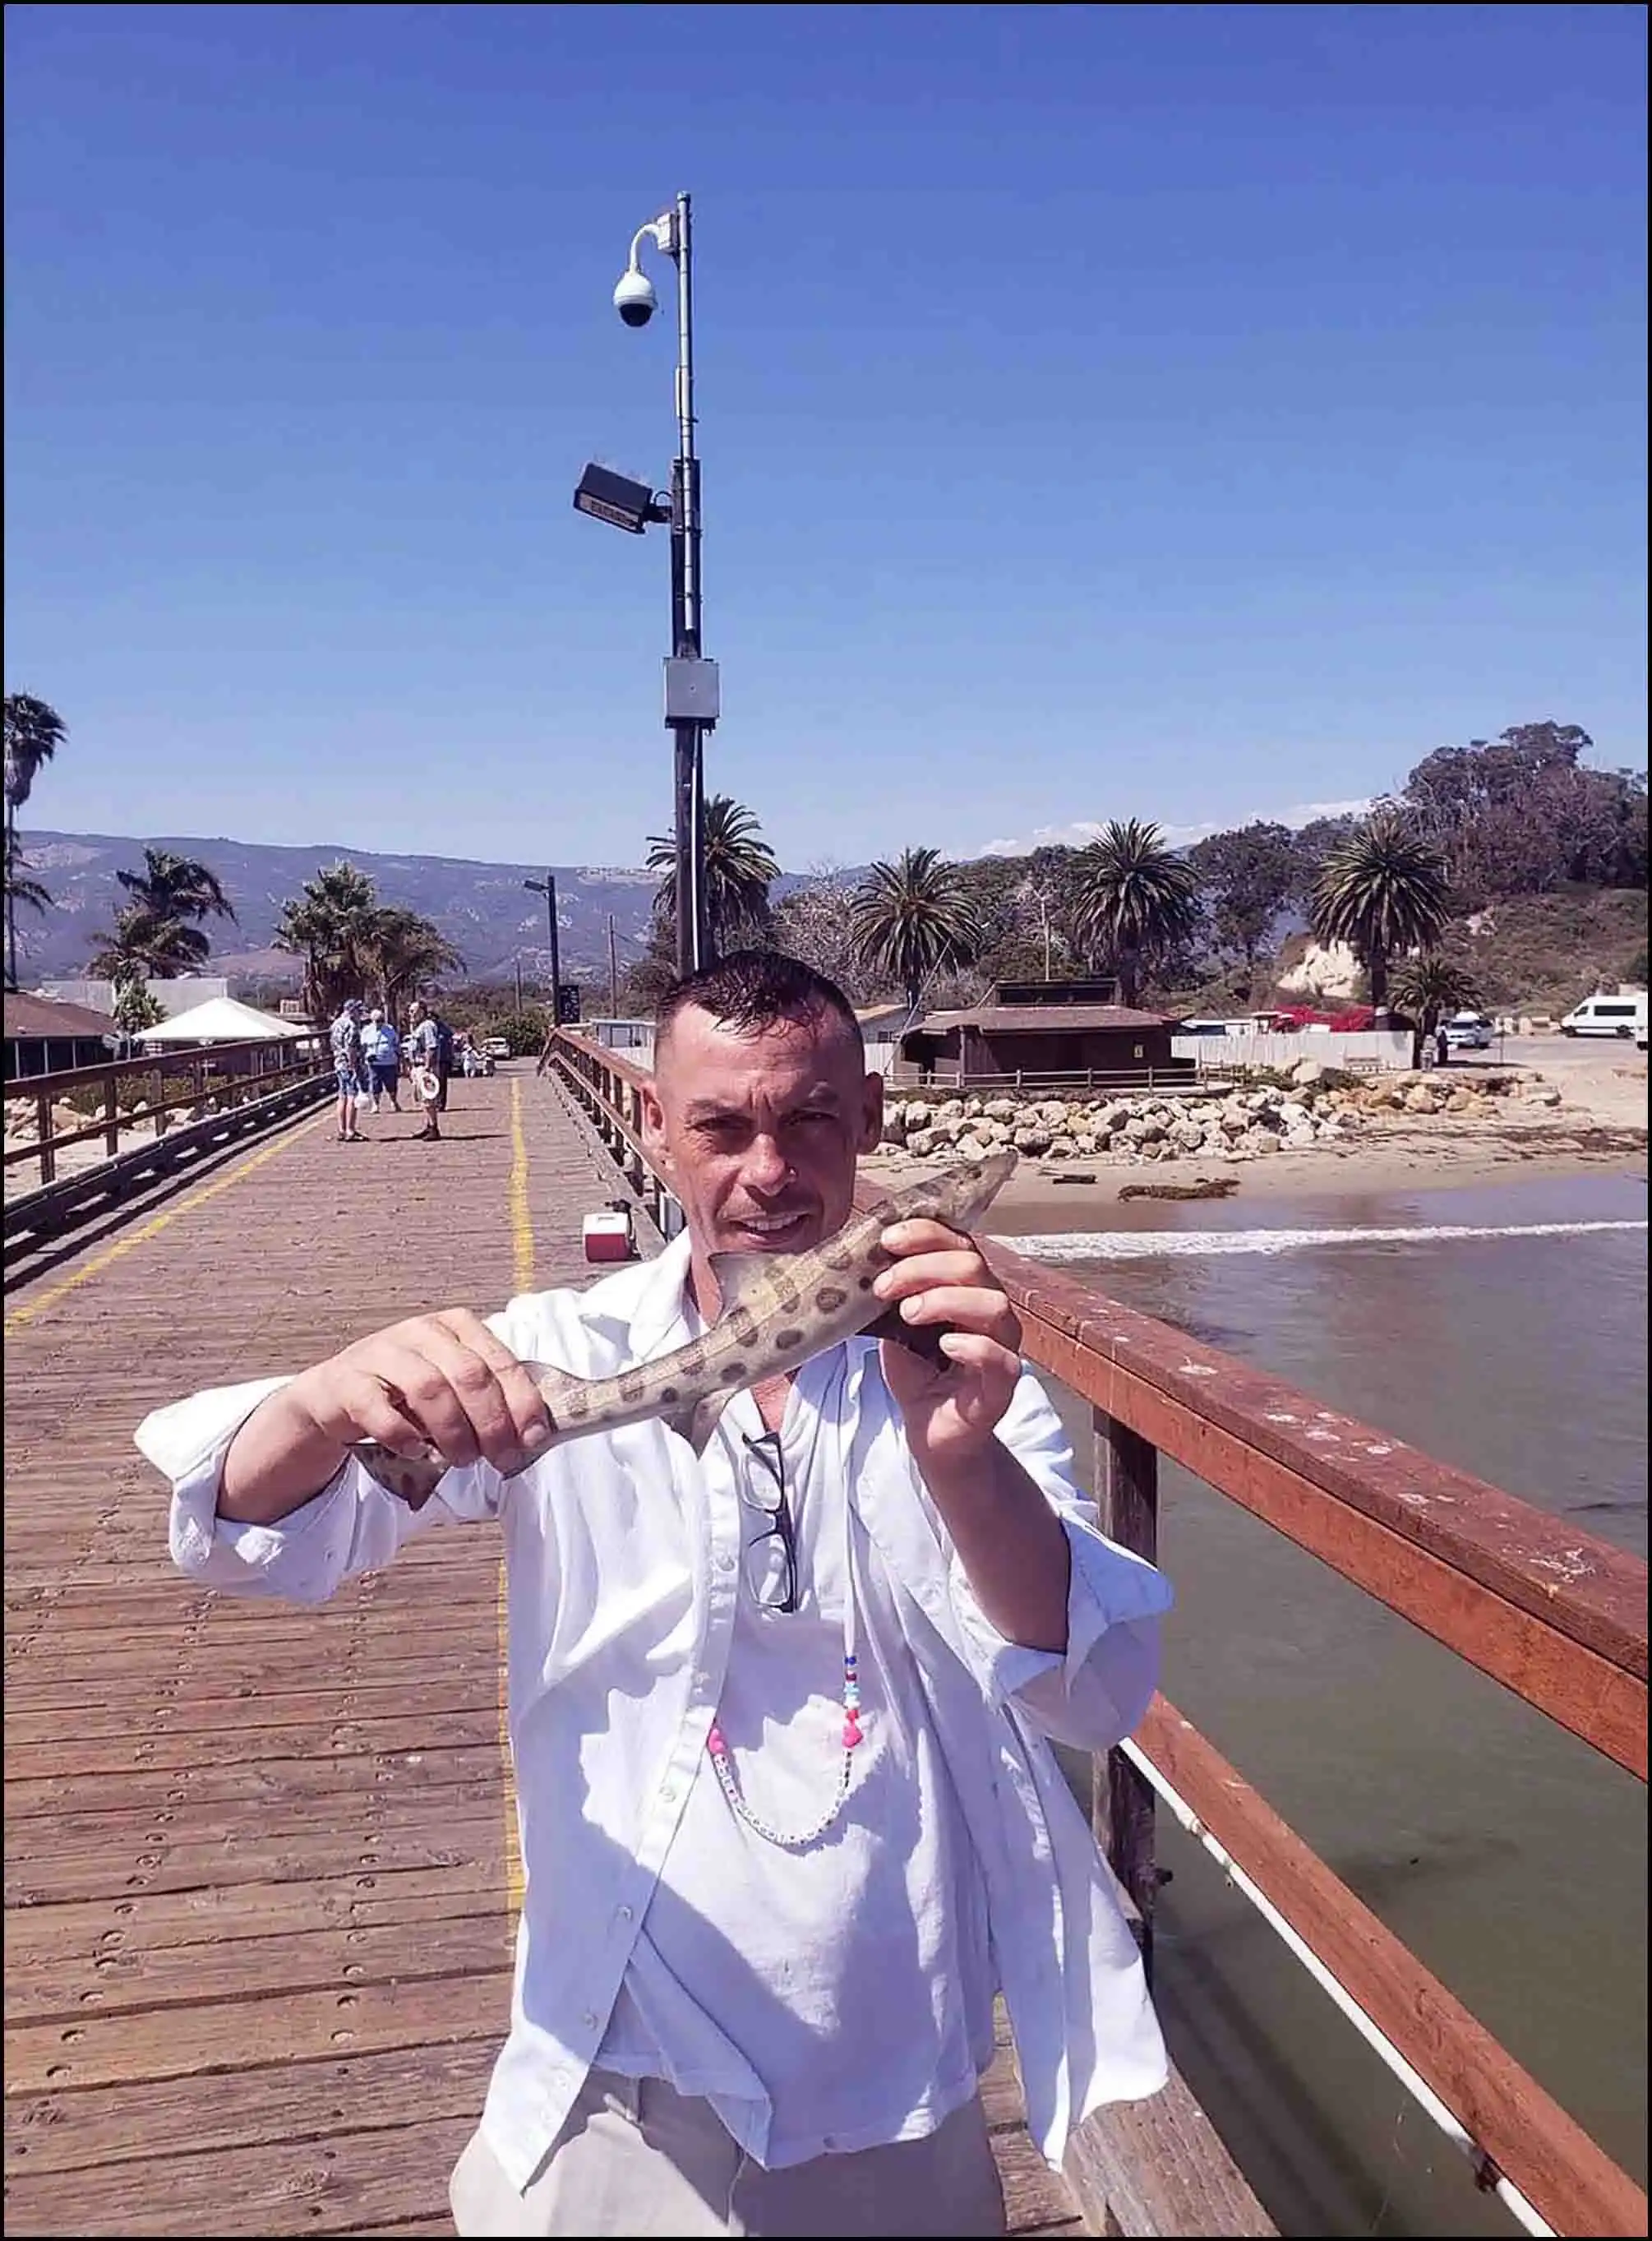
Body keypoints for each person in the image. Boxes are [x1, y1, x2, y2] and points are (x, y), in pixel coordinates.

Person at [136, 950, 1173, 2239]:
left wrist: (957, 1455)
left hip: (892, 2065)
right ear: (652, 1122)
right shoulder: (560, 1352)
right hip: (614, 2061)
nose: (767, 1171)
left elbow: (1092, 1691)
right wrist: (316, 1405)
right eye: (721, 1126)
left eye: (809, 1120)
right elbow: (254, 1532)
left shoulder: (962, 1375)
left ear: (868, 1118)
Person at [328, 998, 367, 1143]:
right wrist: (353, 1065)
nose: (360, 1014)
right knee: (352, 1095)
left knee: (342, 1096)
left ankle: (342, 1129)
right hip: (348, 1063)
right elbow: (351, 1047)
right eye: (358, 1011)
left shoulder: (336, 1024)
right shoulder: (352, 1025)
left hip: (338, 1061)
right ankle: (350, 1130)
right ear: (352, 1011)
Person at [406, 1000, 443, 1141]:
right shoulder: (417, 1027)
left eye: (413, 1011)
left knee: (429, 1099)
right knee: (423, 1099)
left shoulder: (427, 1026)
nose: (411, 1014)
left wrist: (428, 1067)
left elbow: (431, 1047)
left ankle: (434, 1128)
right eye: (410, 1011)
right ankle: (428, 1126)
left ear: (422, 1012)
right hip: (418, 1066)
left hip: (425, 1067)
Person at [362, 1008, 403, 1115]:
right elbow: (363, 1047)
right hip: (374, 1063)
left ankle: (394, 1102)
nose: (379, 1023)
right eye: (377, 1021)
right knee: (375, 1084)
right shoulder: (367, 1031)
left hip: (389, 1061)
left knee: (391, 1084)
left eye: (381, 1020)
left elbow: (396, 1044)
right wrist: (364, 1059)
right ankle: (375, 1104)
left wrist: (400, 1058)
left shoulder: (390, 1029)